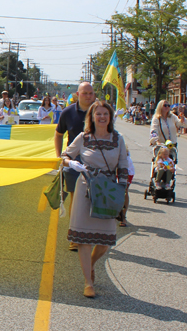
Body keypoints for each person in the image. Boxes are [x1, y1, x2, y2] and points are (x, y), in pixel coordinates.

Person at [61, 100, 128, 298]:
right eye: (97, 114)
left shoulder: (118, 139)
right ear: (91, 117)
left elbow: (123, 165)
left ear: (110, 117)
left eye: (105, 114)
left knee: (105, 240)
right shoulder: (83, 137)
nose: (101, 117)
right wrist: (72, 163)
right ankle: (88, 282)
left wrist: (122, 189)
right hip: (86, 188)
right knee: (84, 238)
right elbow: (64, 155)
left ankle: (90, 263)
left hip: (107, 189)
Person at [55, 81, 96, 252]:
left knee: (92, 200)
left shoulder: (100, 111)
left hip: (96, 162)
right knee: (76, 200)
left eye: (91, 93)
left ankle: (90, 233)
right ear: (78, 95)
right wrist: (59, 158)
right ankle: (75, 236)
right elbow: (58, 134)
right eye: (84, 93)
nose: (88, 96)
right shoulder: (68, 112)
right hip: (74, 162)